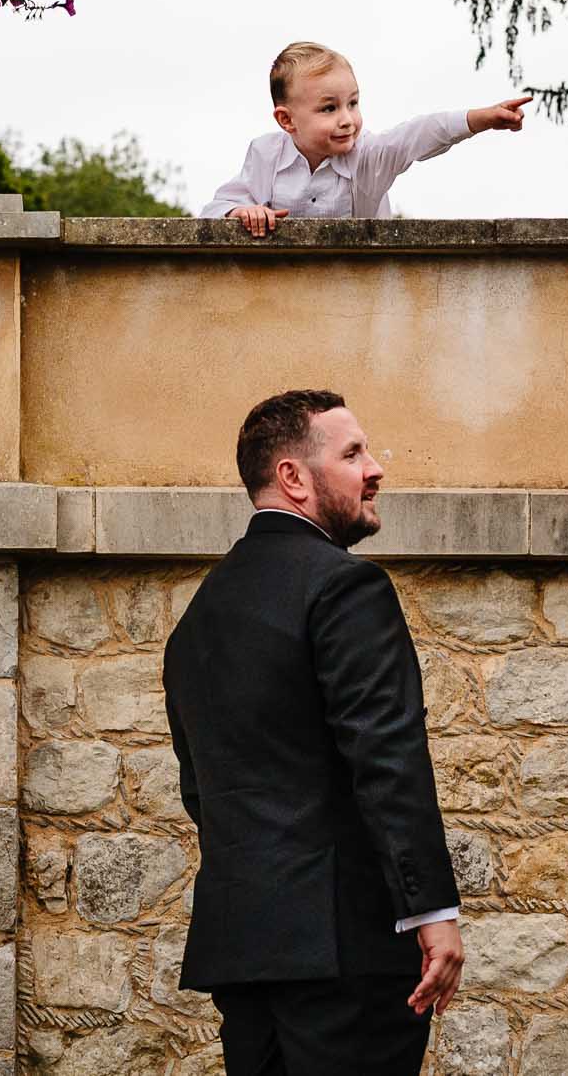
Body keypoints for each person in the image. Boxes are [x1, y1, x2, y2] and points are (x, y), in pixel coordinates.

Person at [162, 389, 463, 1075]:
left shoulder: (198, 619)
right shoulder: (345, 588)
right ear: (293, 477)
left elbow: (202, 791)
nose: (376, 467)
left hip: (246, 953)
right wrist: (432, 910)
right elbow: (386, 757)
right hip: (345, 957)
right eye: (353, 452)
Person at [200, 41, 529, 234]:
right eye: (329, 109)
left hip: (359, 293)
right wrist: (242, 212)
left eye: (353, 103)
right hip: (284, 294)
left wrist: (481, 118)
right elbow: (215, 209)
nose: (348, 120)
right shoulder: (265, 154)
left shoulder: (368, 155)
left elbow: (419, 133)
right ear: (287, 120)